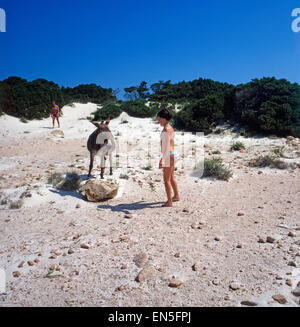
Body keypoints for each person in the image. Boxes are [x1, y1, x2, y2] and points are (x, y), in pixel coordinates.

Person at [157, 108, 180, 207]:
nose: (158, 121)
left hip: (168, 155)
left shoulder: (165, 129)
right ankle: (176, 196)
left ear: (163, 118)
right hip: (173, 154)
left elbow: (166, 146)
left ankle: (169, 201)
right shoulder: (170, 127)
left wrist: (162, 159)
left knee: (166, 180)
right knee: (171, 177)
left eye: (159, 119)